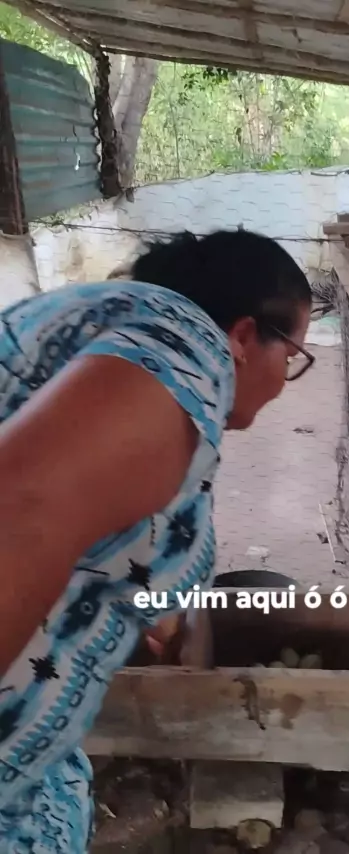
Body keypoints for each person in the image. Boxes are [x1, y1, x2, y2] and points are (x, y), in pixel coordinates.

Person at [0, 229, 314, 852]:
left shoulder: (94, 332)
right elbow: (23, 510)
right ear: (245, 335)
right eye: (294, 356)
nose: (286, 381)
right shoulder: (184, 346)